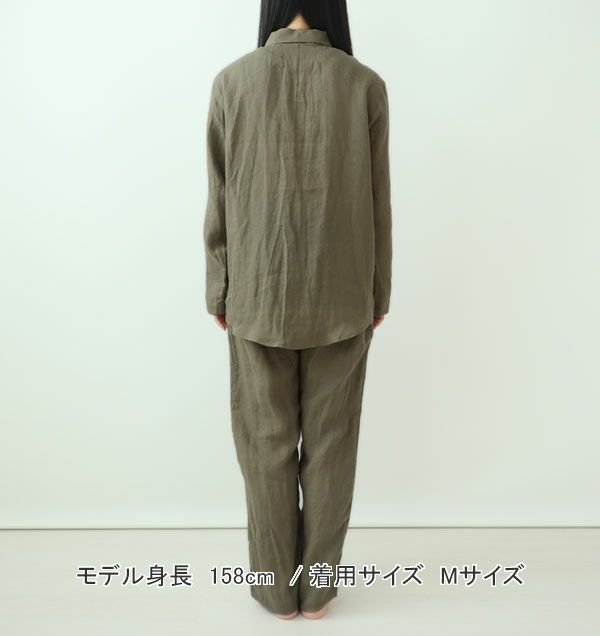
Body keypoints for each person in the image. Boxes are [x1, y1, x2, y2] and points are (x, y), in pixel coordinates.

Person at [203, 0, 392, 621]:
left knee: (266, 445)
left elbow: (220, 196)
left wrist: (219, 287)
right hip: (344, 294)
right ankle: (318, 593)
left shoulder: (233, 81)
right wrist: (379, 291)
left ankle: (275, 592)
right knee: (333, 445)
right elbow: (379, 200)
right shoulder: (364, 84)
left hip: (258, 293)